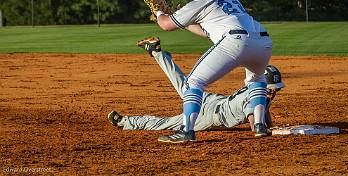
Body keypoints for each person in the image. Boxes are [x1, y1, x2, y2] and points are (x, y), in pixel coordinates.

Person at [149, 0, 273, 142]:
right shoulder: (232, 0)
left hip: (235, 41)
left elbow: (165, 25)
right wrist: (181, 20)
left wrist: (159, 13)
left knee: (192, 83)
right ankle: (260, 126)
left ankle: (186, 131)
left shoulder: (201, 3)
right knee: (256, 78)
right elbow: (207, 31)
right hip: (263, 42)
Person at [108, 38, 284, 137]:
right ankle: (125, 122)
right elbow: (255, 126)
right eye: (270, 88)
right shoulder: (257, 98)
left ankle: (157, 52)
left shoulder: (257, 91)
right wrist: (272, 129)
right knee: (167, 123)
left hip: (213, 100)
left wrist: (271, 123)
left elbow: (262, 109)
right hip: (208, 115)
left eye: (276, 89)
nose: (273, 91)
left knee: (183, 83)